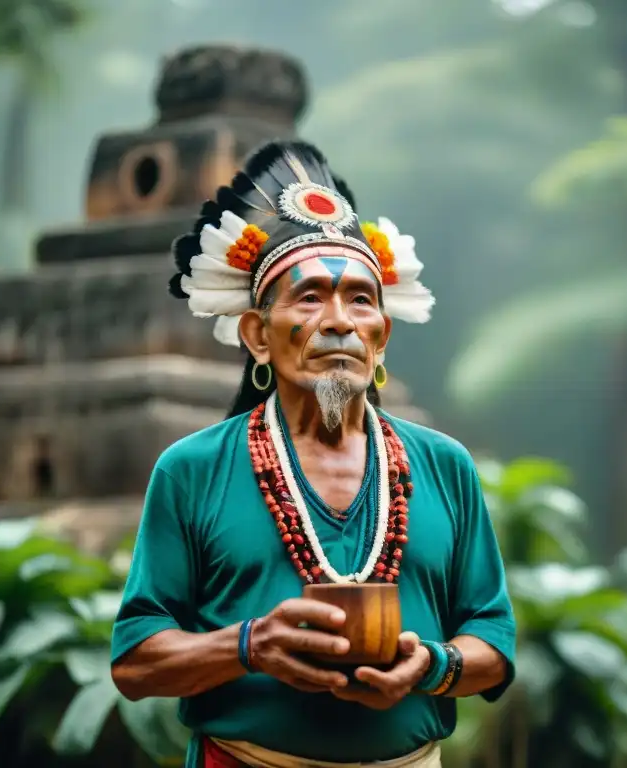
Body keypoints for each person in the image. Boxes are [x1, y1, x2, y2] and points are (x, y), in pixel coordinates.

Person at [110, 140, 516, 768]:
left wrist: (433, 666)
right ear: (257, 337)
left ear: (381, 336)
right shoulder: (192, 471)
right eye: (309, 298)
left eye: (360, 298)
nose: (339, 321)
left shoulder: (445, 467)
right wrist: (249, 646)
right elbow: (135, 662)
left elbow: (494, 641)